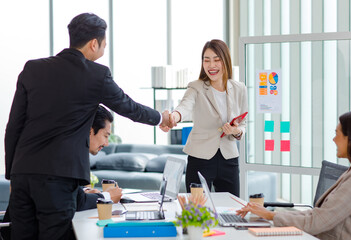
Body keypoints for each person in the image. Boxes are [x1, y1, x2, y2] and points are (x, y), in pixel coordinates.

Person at [5, 13, 171, 240]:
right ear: (94, 43)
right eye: (104, 44)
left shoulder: (32, 69)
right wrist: (161, 119)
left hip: (23, 175)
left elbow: (13, 127)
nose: (103, 49)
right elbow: (128, 107)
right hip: (58, 178)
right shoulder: (96, 75)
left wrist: (13, 175)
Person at [236, 110, 351, 240]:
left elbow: (317, 222)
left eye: (337, 134)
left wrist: (271, 215)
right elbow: (316, 214)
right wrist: (270, 215)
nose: (334, 139)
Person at [0, 106, 121, 240]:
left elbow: (62, 191)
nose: (107, 143)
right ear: (90, 130)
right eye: (105, 136)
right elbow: (79, 202)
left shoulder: (52, 146)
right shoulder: (67, 153)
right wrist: (107, 196)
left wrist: (81, 190)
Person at [161, 39, 248, 197]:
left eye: (216, 60)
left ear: (225, 61)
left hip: (229, 158)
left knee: (232, 209)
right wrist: (174, 117)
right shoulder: (196, 87)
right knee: (198, 209)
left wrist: (236, 131)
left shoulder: (239, 88)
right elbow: (185, 106)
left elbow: (243, 124)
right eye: (206, 60)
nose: (211, 65)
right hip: (200, 157)